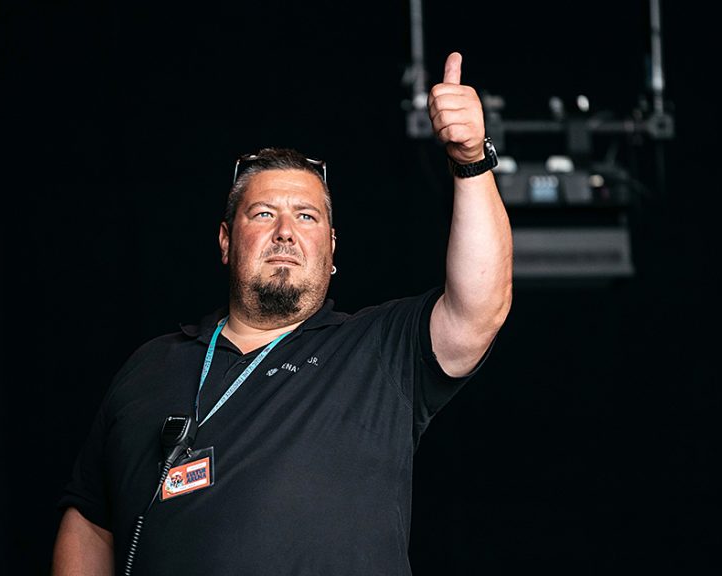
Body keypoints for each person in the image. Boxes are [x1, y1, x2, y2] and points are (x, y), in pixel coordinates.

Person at [51, 51, 512, 576]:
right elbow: (89, 519)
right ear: (226, 241)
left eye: (307, 216)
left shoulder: (378, 350)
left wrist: (470, 162)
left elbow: (479, 307)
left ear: (332, 249)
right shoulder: (150, 366)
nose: (285, 232)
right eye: (264, 213)